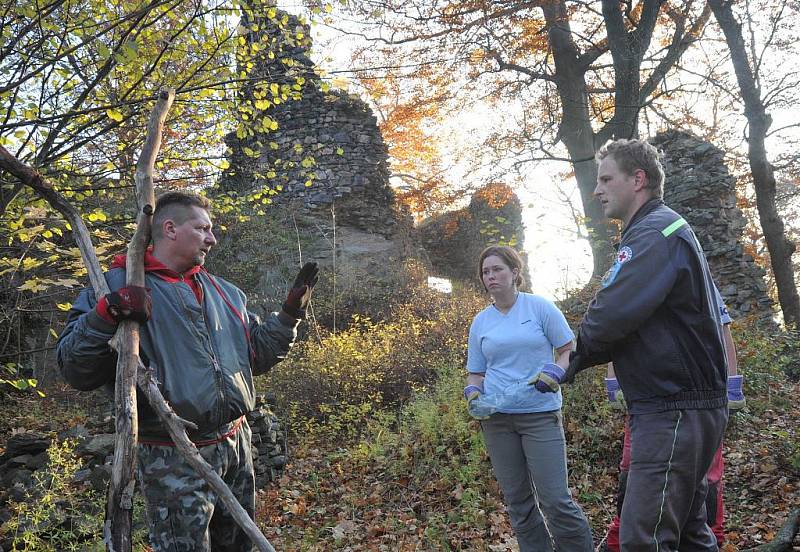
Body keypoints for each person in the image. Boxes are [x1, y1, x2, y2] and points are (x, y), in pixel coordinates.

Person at [57, 191, 319, 551]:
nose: (212, 238)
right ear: (170, 229)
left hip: (235, 445)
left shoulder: (225, 292)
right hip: (173, 455)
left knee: (239, 544)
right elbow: (75, 369)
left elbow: (256, 355)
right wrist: (106, 314)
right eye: (203, 229)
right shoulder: (118, 286)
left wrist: (290, 315)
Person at [541, 138, 729, 551]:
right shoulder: (658, 231)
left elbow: (613, 312)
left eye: (607, 178)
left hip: (673, 409)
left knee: (644, 537)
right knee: (688, 533)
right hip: (683, 406)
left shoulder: (654, 234)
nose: (597, 190)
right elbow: (629, 321)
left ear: (638, 179)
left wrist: (568, 360)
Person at [464, 245, 593, 552]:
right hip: (496, 421)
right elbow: (476, 373)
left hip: (539, 415)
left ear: (515, 273)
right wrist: (472, 393)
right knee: (518, 503)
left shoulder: (539, 308)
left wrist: (555, 371)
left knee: (555, 500)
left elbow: (568, 349)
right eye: (486, 272)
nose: (491, 276)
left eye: (498, 269)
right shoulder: (481, 322)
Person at [603, 287, 746, 551]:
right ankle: (618, 538)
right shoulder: (638, 278)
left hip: (698, 400)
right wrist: (613, 382)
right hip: (647, 402)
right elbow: (618, 335)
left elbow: (722, 333)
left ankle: (708, 537)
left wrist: (732, 385)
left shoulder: (697, 278)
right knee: (631, 474)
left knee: (706, 481)